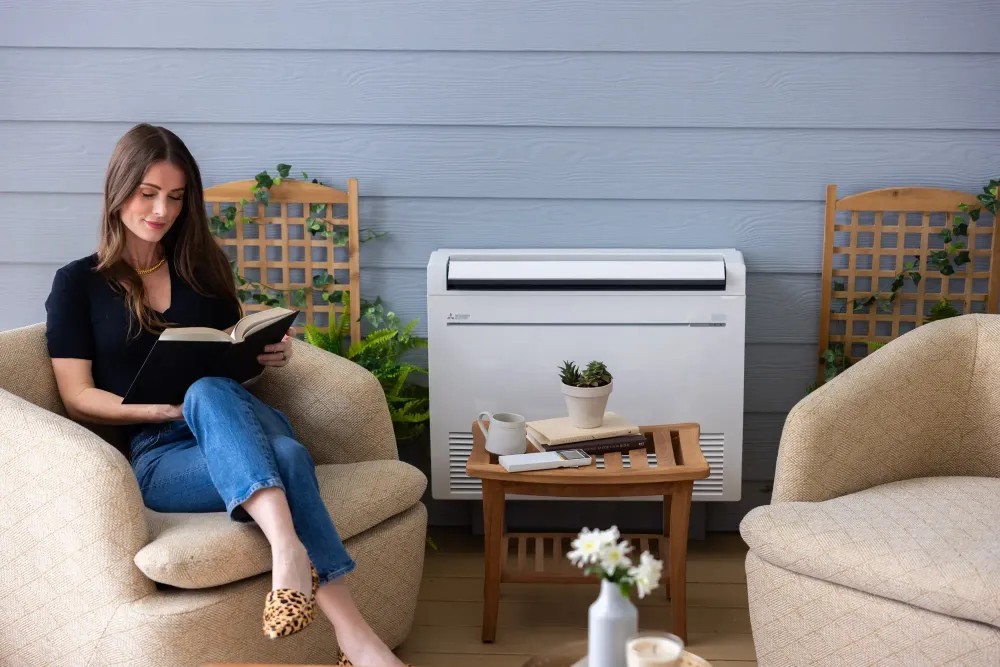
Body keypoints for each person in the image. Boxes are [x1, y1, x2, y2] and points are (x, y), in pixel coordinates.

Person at [43, 123, 406, 667]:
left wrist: (263, 358)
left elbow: (226, 364)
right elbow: (77, 397)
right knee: (284, 456)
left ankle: (293, 562)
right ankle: (353, 634)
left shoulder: (202, 269)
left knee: (212, 389)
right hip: (161, 454)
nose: (161, 210)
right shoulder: (78, 283)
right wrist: (167, 408)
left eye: (175, 196)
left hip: (240, 422)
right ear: (118, 190)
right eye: (148, 194)